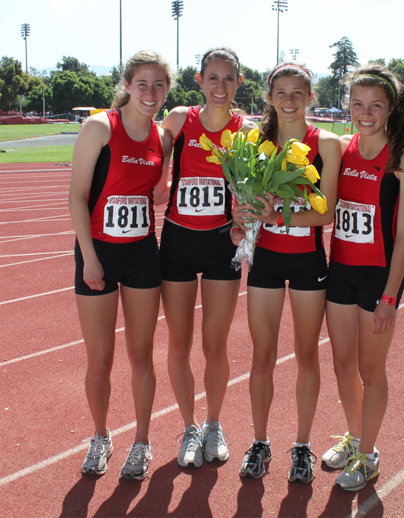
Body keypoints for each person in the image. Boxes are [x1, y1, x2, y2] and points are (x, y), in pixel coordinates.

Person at [233, 62, 341, 483]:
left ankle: (302, 446)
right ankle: (260, 442)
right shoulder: (252, 142)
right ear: (270, 97)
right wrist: (240, 217)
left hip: (309, 260)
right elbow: (240, 201)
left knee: (307, 354)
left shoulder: (326, 143)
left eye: (299, 92)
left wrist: (277, 210)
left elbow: (326, 213)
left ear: (311, 97)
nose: (290, 100)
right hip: (267, 261)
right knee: (262, 357)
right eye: (282, 92)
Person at [69, 50, 173, 480]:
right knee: (100, 359)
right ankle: (100, 436)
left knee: (142, 356)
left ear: (167, 91)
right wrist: (90, 258)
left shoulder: (161, 136)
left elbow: (157, 194)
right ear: (127, 85)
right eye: (143, 83)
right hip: (99, 254)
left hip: (143, 255)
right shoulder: (100, 126)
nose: (151, 93)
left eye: (159, 85)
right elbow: (77, 196)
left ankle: (142, 442)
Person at [322, 64, 404, 491]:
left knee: (369, 367)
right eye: (358, 104)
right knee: (343, 363)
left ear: (391, 108)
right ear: (349, 105)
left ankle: (369, 455)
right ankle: (356, 437)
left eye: (375, 105)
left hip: (378, 278)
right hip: (340, 270)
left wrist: (389, 297)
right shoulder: (342, 149)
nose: (365, 113)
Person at [159, 47, 258, 468]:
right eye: (212, 78)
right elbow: (151, 165)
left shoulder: (247, 130)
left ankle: (215, 423)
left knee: (214, 345)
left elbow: (255, 189)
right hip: (178, 243)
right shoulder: (180, 120)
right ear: (199, 81)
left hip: (223, 244)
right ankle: (189, 426)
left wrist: (248, 209)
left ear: (238, 83)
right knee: (179, 345)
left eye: (228, 78)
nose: (220, 86)